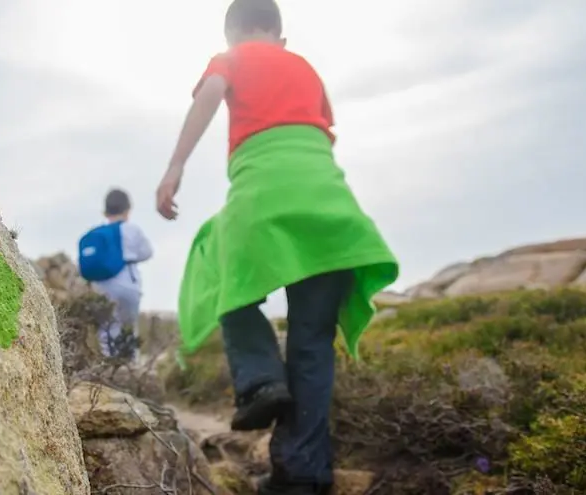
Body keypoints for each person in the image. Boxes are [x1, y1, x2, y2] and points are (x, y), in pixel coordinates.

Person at [155, 1, 400, 493]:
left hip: (263, 200)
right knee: (312, 344)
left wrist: (175, 166)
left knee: (222, 273)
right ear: (280, 36)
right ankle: (302, 475)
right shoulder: (305, 67)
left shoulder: (232, 58)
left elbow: (211, 93)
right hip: (329, 207)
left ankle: (261, 377)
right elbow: (324, 136)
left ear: (233, 36)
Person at [78, 188, 153, 360]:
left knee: (106, 330)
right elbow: (148, 252)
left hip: (102, 286)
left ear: (105, 211)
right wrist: (130, 256)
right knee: (129, 330)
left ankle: (108, 368)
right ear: (128, 209)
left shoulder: (96, 234)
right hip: (128, 286)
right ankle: (130, 369)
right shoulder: (131, 230)